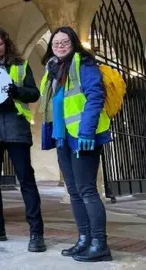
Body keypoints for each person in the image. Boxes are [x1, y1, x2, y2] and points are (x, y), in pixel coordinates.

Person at [40, 27, 112, 262]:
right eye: (55, 42)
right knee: (73, 192)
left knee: (87, 190)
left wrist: (87, 131)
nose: (59, 45)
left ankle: (99, 243)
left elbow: (95, 96)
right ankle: (84, 240)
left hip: (83, 137)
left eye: (64, 41)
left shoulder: (83, 64)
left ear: (73, 43)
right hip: (63, 138)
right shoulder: (52, 69)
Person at [0, 27, 45, 252]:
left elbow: (33, 94)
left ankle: (36, 233)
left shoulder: (20, 67)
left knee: (26, 180)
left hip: (15, 128)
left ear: (6, 45)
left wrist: (16, 91)